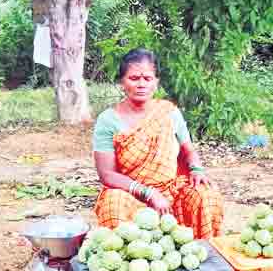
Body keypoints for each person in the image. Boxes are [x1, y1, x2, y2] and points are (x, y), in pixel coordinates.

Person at [92, 48, 223, 239]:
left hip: (172, 190)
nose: (141, 84)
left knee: (205, 195)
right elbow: (107, 174)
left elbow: (188, 150)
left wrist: (196, 169)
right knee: (113, 203)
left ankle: (204, 255)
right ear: (122, 82)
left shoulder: (168, 112)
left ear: (156, 82)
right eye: (134, 78)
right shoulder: (108, 120)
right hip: (131, 194)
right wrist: (149, 193)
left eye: (147, 78)